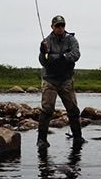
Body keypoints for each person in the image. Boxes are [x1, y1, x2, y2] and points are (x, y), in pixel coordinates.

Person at [37, 15, 86, 151]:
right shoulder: (46, 42)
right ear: (52, 27)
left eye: (62, 25)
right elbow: (43, 61)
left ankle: (78, 137)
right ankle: (41, 140)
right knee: (47, 110)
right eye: (57, 26)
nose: (60, 28)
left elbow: (76, 54)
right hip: (49, 80)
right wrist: (43, 53)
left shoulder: (72, 39)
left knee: (73, 110)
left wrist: (62, 57)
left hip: (66, 80)